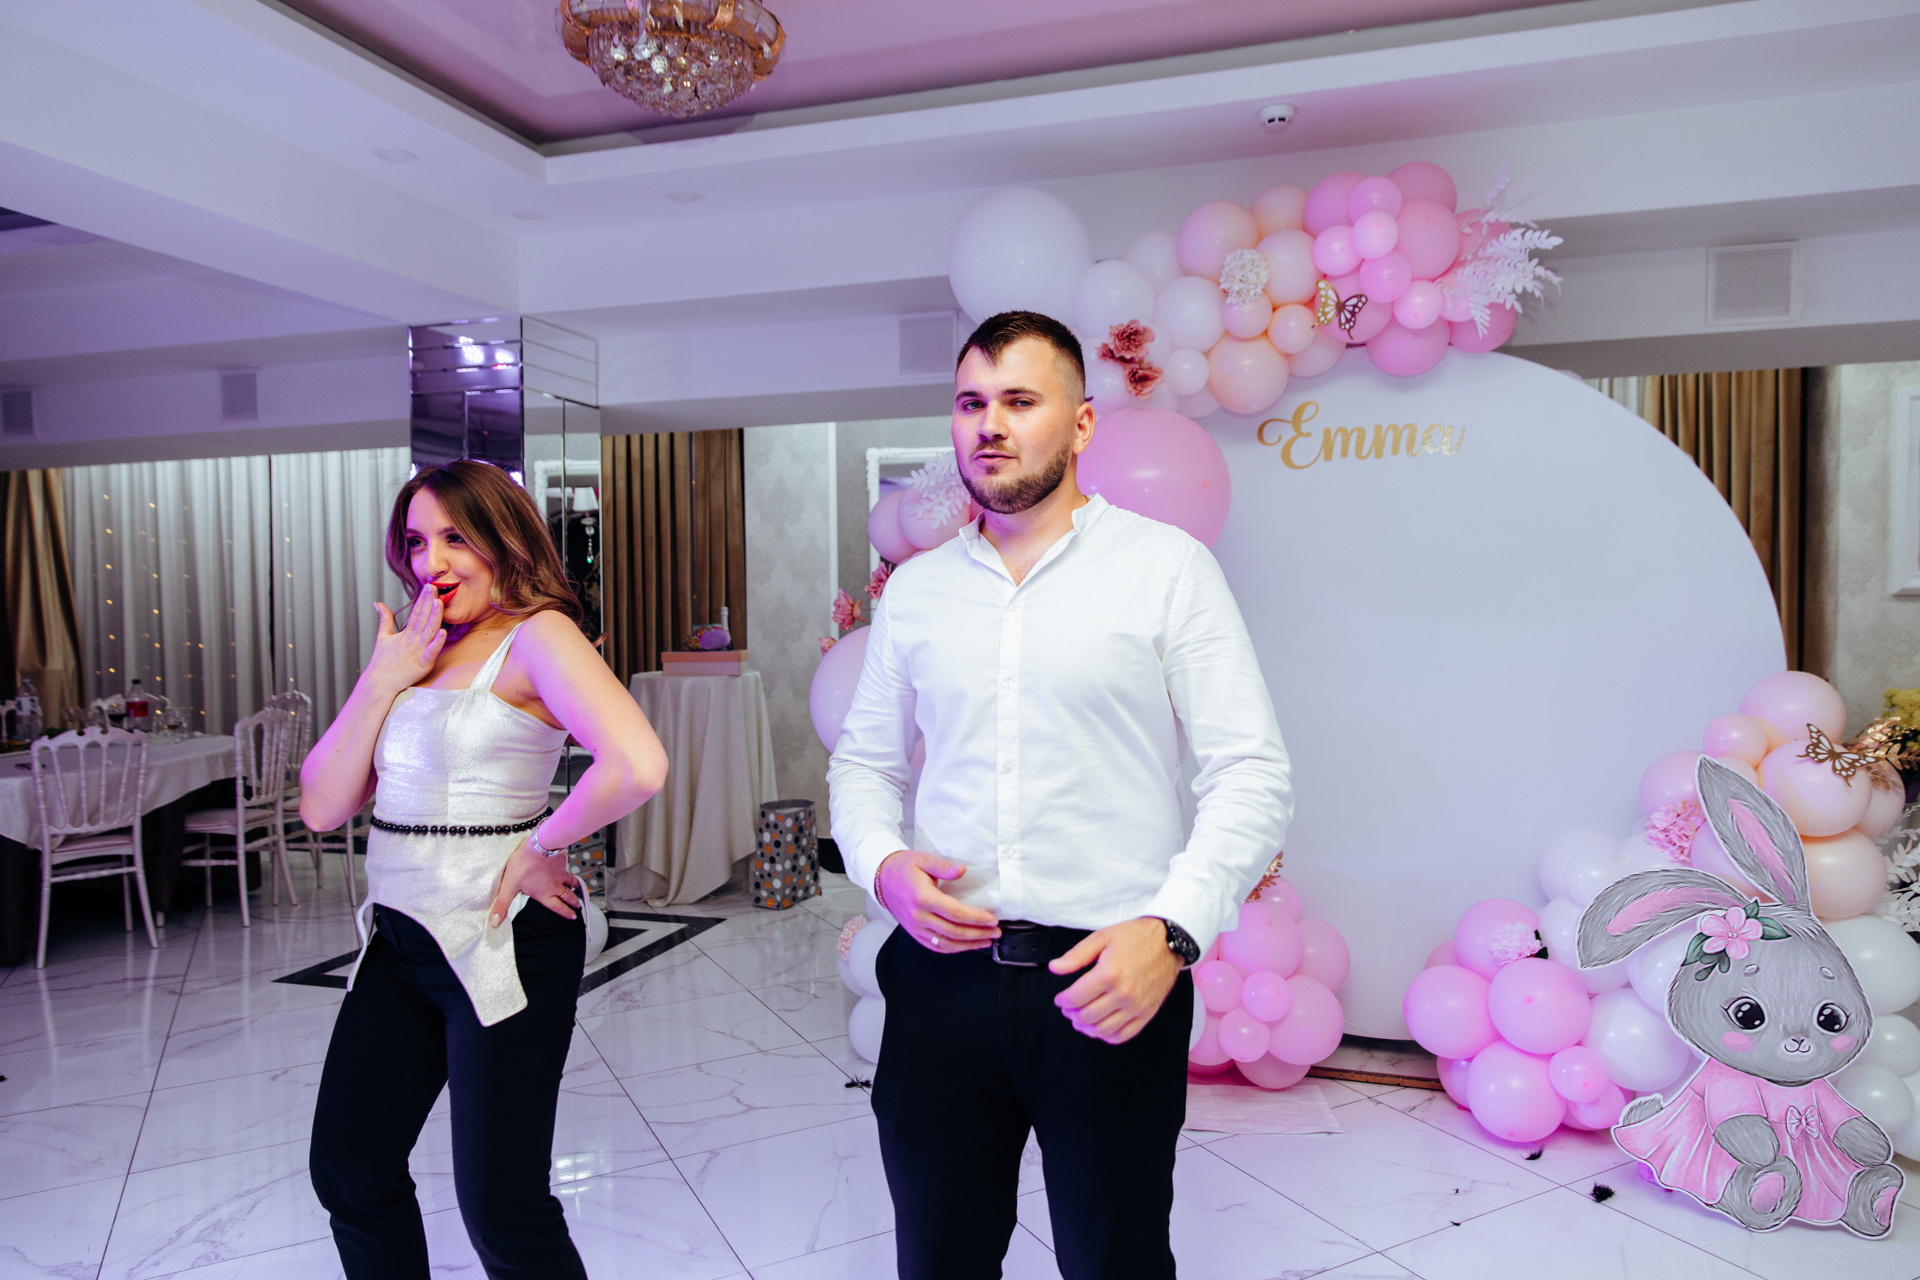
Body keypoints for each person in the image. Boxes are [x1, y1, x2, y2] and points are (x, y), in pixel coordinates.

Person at [828, 310, 1293, 1279]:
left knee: (1115, 1259)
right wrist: (884, 865)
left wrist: (1171, 931)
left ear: (1082, 424)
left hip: (1110, 978)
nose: (989, 425)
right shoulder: (917, 591)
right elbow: (864, 764)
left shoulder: (1166, 569)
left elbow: (1250, 770)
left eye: (1019, 401)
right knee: (939, 1260)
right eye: (971, 403)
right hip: (941, 981)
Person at [301, 459, 668, 1279]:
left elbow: (637, 763)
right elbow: (322, 806)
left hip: (503, 941)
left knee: (502, 1210)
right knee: (350, 1170)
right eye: (416, 542)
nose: (432, 561)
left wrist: (542, 845)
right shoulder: (415, 649)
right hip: (399, 944)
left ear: (502, 540)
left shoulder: (539, 635)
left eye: (455, 538)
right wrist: (380, 679)